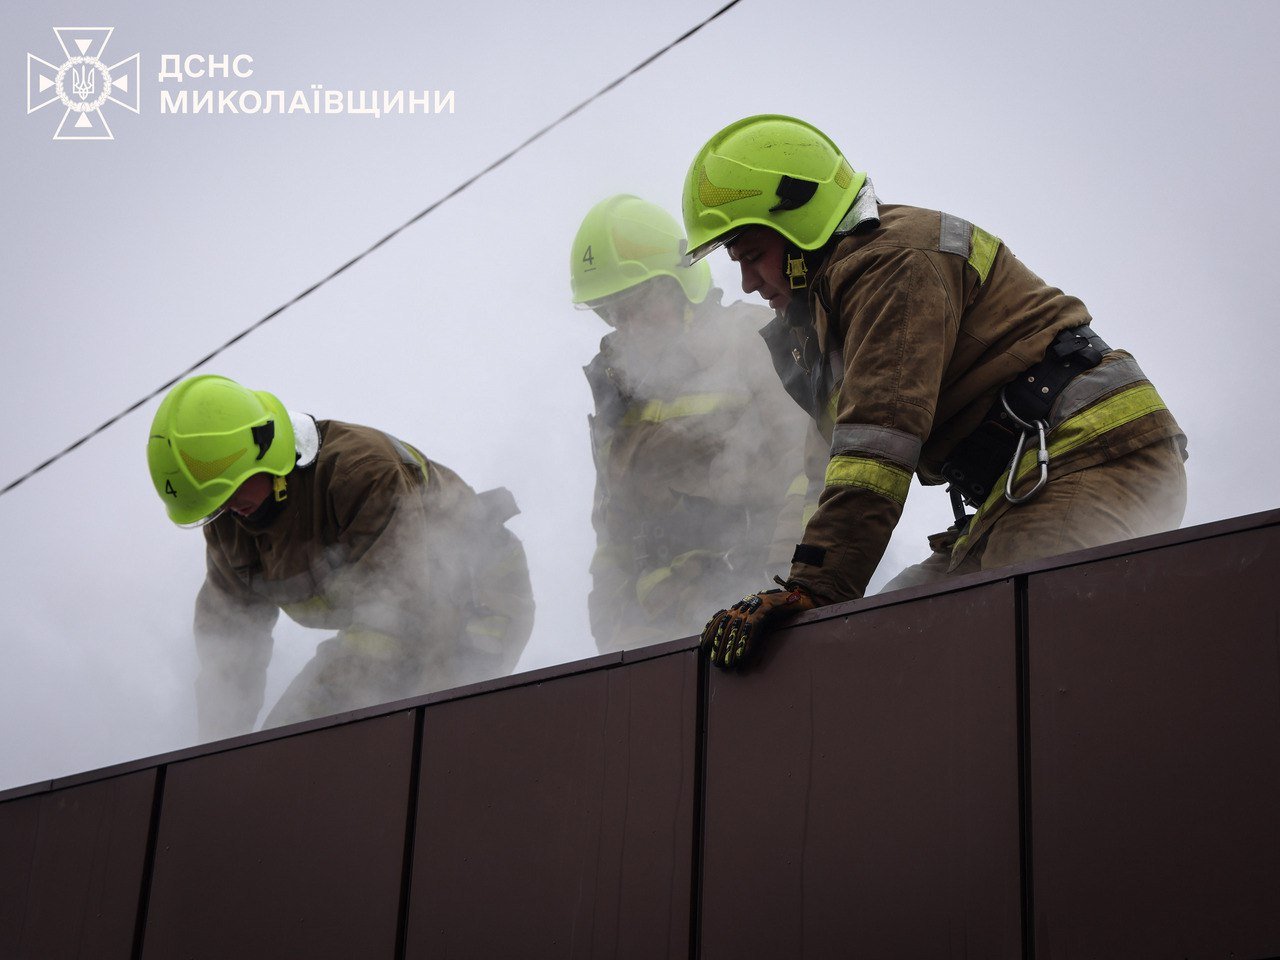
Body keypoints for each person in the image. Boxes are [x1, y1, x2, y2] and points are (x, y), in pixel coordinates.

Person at [684, 115, 1188, 668]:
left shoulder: (895, 262)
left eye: (753, 255)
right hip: (1019, 486)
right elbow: (827, 471)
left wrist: (817, 589)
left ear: (800, 219)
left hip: (1090, 458)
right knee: (893, 639)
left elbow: (876, 449)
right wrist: (789, 589)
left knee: (1029, 649)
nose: (749, 284)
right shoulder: (829, 313)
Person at [146, 374, 535, 739]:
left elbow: (395, 622)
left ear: (264, 450)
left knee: (437, 737)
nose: (229, 510)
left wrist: (294, 733)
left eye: (232, 491)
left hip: (476, 593)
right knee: (293, 750)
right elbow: (229, 652)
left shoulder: (362, 474)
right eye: (214, 505)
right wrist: (216, 757)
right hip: (393, 621)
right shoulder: (230, 524)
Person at [569, 194, 815, 653]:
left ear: (680, 285)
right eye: (609, 310)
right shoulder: (615, 396)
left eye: (636, 301)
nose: (625, 323)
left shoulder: (753, 340)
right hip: (658, 633)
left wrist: (785, 588)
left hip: (761, 611)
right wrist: (614, 642)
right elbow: (613, 539)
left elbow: (810, 471)